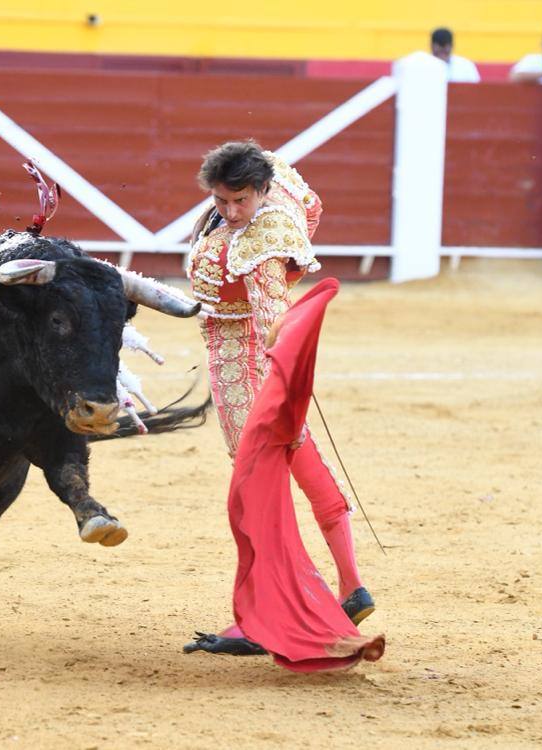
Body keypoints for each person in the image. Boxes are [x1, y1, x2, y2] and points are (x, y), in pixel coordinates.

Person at [182, 141, 374, 656]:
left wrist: (279, 385)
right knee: (303, 461)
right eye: (221, 200)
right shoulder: (276, 191)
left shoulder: (262, 242)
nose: (230, 212)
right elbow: (308, 204)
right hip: (246, 362)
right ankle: (352, 586)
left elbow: (273, 320)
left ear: (262, 192)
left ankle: (267, 616)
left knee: (257, 487)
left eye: (240, 200)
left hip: (242, 367)